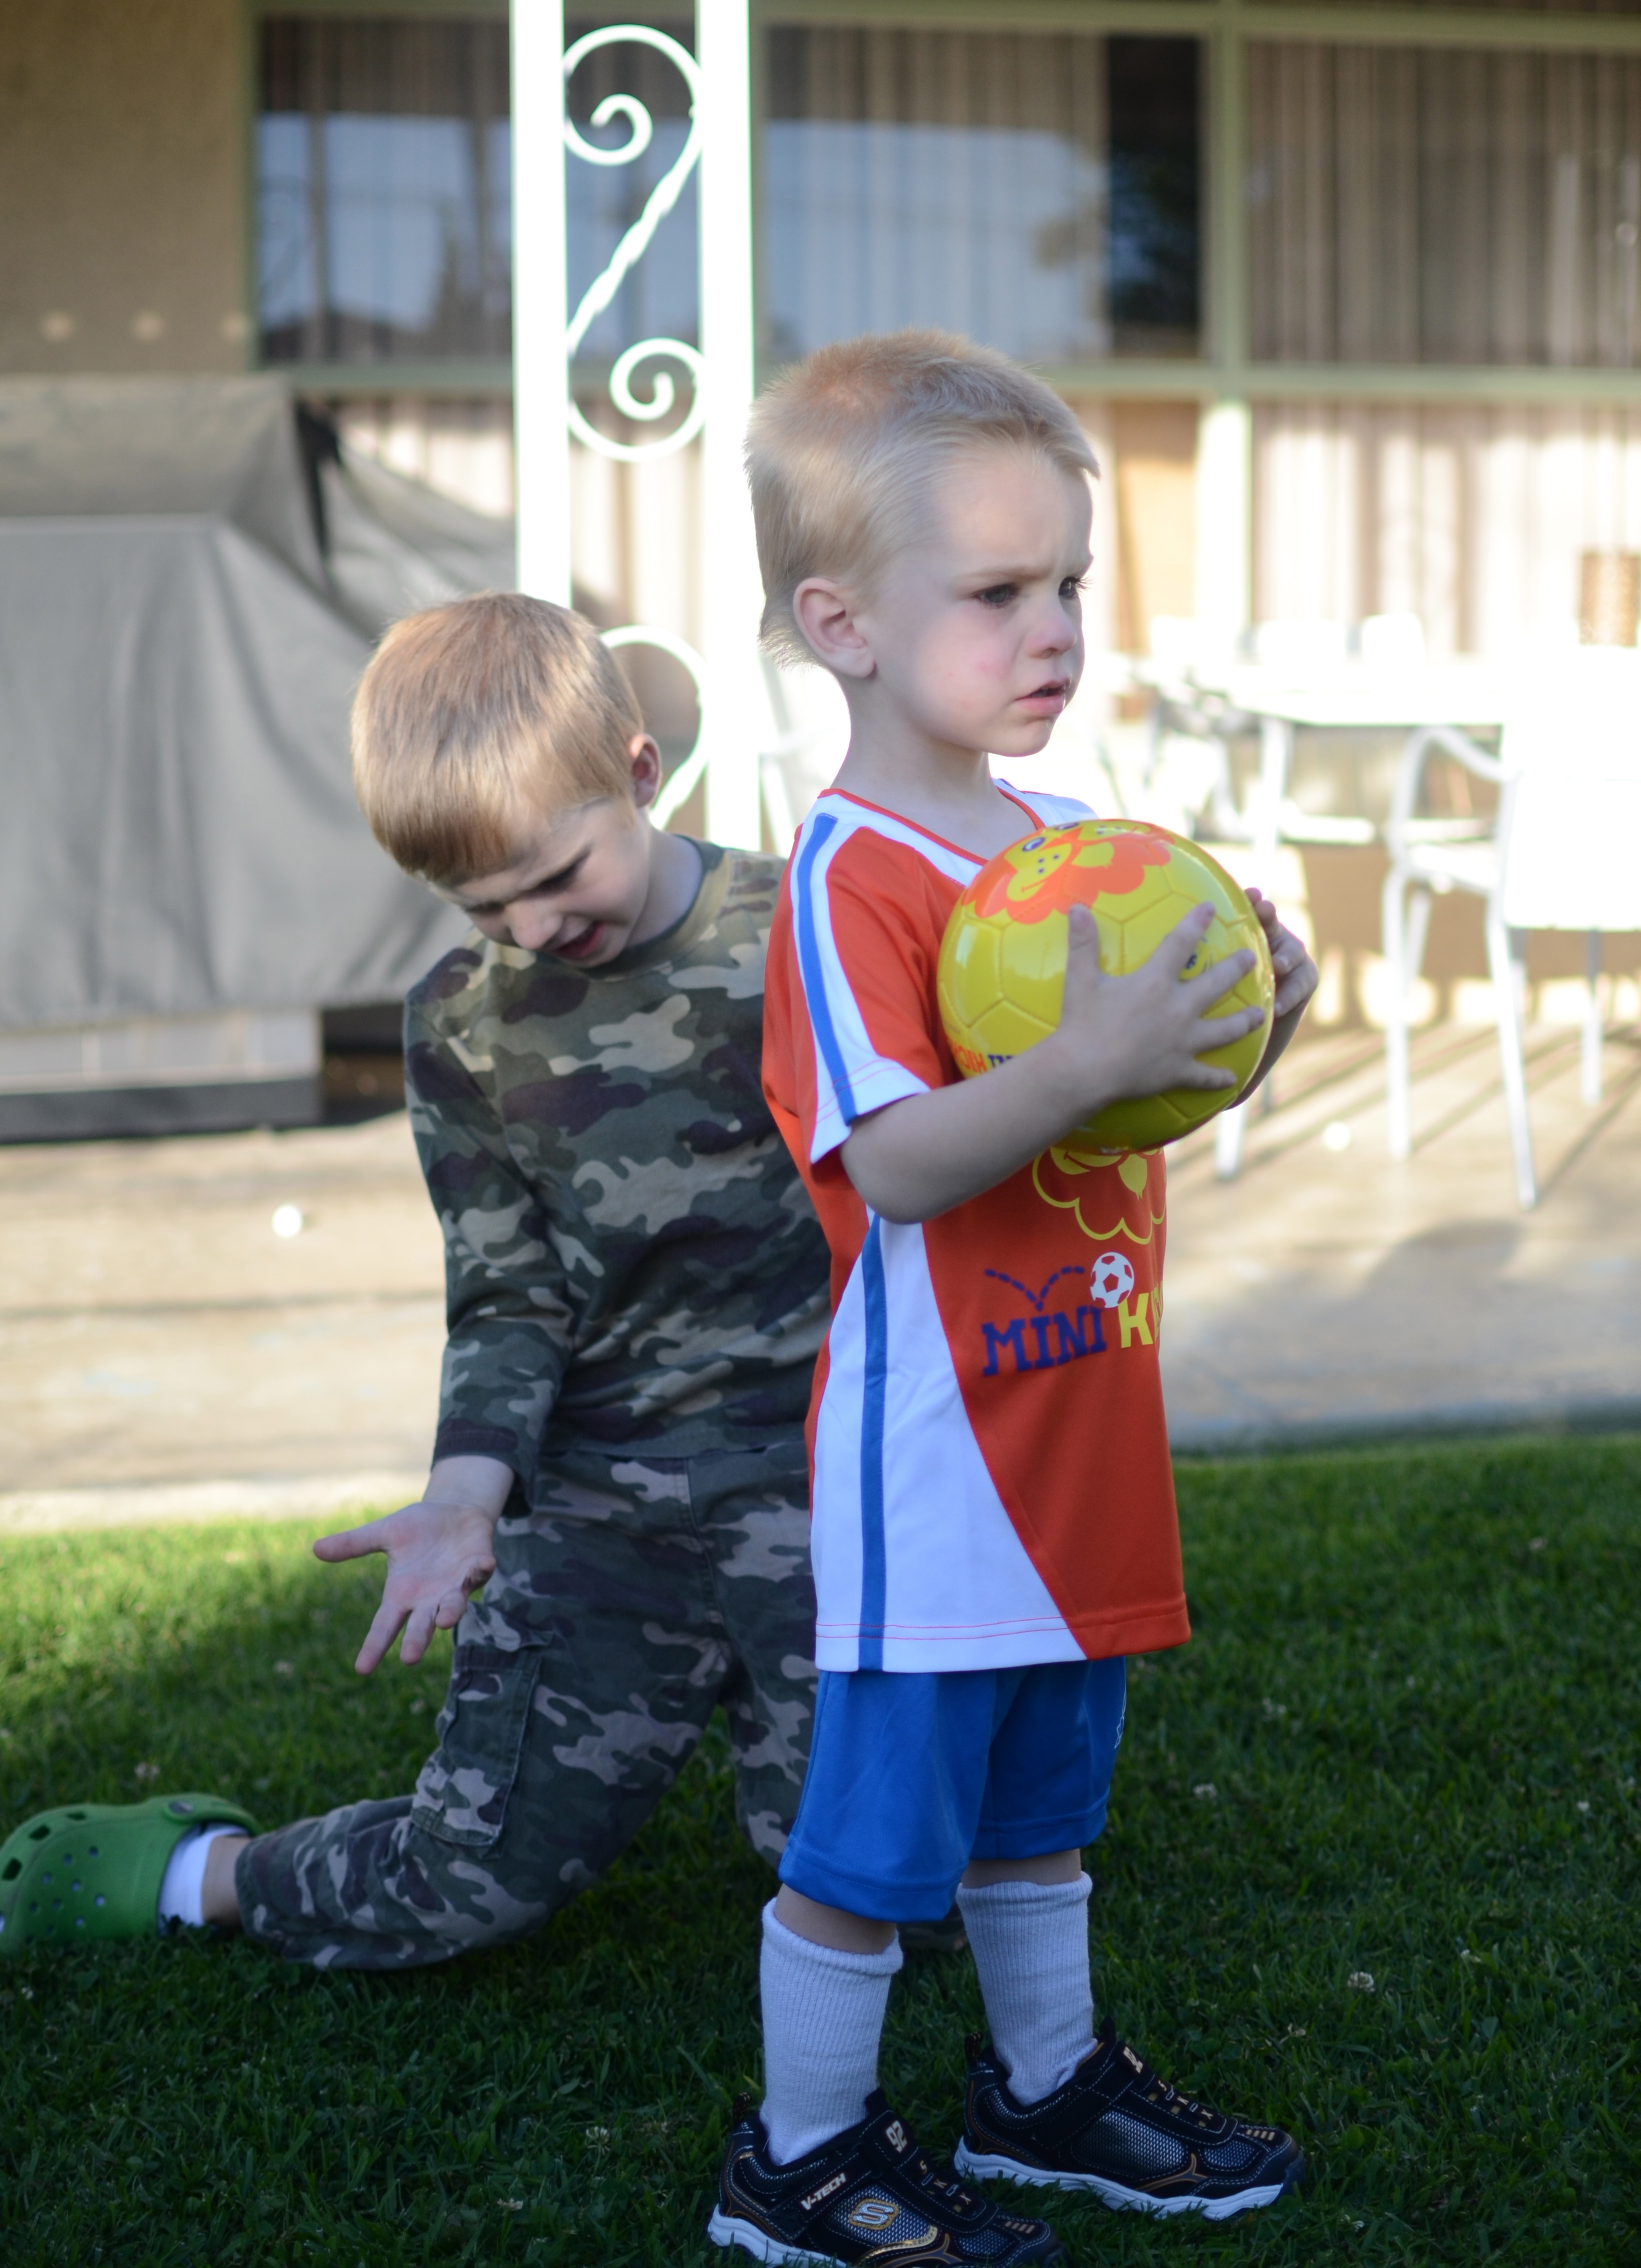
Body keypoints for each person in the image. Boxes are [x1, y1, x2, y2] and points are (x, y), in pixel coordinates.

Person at [707, 333, 1320, 2267]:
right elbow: (894, 1164)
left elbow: (1124, 1104)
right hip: (943, 1472)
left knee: (1043, 1810)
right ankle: (800, 2162)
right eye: (996, 592)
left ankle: (1043, 2094)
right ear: (843, 624)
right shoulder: (852, 877)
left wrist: (1249, 1023)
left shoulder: (1064, 852)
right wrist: (1085, 1055)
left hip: (1082, 1440)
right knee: (873, 1846)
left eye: (1069, 582)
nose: (1051, 628)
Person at [0, 592, 834, 1968]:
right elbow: (507, 1292)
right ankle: (202, 1870)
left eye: (558, 874)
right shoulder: (461, 1019)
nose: (532, 925)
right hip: (604, 1510)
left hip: (834, 1493)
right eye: (485, 901)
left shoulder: (812, 930)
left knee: (880, 1883)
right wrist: (464, 1496)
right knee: (470, 1883)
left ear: (639, 770)